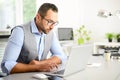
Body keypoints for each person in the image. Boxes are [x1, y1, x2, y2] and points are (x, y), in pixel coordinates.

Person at [1, 3, 67, 75]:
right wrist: (36, 67)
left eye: (54, 23)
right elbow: (6, 65)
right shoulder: (19, 31)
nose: (52, 27)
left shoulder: (50, 33)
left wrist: (40, 63)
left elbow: (61, 56)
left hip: (39, 76)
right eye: (49, 22)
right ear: (38, 17)